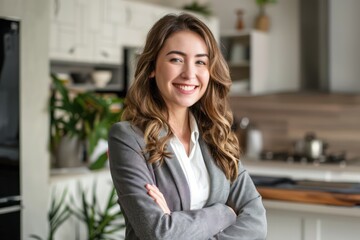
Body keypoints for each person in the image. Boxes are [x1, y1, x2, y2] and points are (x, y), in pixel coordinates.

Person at [108, 13, 267, 240]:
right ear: (152, 67)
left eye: (200, 62)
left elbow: (257, 223)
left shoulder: (216, 136)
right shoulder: (128, 138)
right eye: (176, 59)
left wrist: (176, 222)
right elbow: (159, 233)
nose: (189, 74)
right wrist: (226, 213)